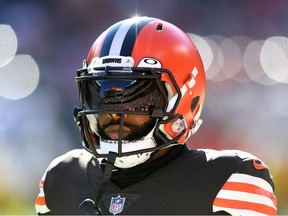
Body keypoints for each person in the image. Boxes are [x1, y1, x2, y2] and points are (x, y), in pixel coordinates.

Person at [35, 16, 277, 215]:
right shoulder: (62, 177)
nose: (113, 112)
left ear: (184, 99)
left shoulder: (227, 182)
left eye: (137, 98)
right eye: (101, 94)